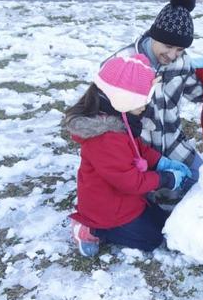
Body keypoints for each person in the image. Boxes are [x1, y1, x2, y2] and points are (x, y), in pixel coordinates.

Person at [64, 54, 193, 255]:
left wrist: (161, 162)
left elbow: (136, 148)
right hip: (107, 210)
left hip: (125, 200)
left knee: (165, 223)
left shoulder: (119, 120)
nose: (145, 106)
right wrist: (165, 179)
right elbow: (130, 181)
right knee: (152, 240)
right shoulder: (105, 138)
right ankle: (92, 229)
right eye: (141, 100)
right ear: (122, 99)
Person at [106, 0, 203, 185]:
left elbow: (197, 92)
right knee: (139, 195)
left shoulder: (181, 62)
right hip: (138, 148)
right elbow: (100, 102)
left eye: (180, 49)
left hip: (172, 141)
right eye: (168, 46)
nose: (172, 55)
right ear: (154, 36)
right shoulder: (125, 61)